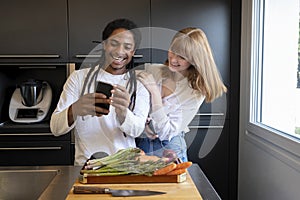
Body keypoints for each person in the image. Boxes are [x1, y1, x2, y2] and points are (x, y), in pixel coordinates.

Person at [50, 19, 150, 166]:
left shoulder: (138, 85)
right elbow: (55, 128)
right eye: (114, 43)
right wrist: (75, 109)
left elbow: (137, 131)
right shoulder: (78, 78)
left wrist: (123, 113)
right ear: (104, 45)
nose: (120, 51)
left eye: (127, 46)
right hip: (86, 167)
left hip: (125, 167)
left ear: (133, 52)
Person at [136, 27, 227, 162]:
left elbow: (167, 133)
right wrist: (143, 126)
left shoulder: (195, 91)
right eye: (172, 51)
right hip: (140, 144)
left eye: (182, 57)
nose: (173, 59)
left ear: (195, 60)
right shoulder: (153, 70)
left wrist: (154, 92)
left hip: (170, 147)